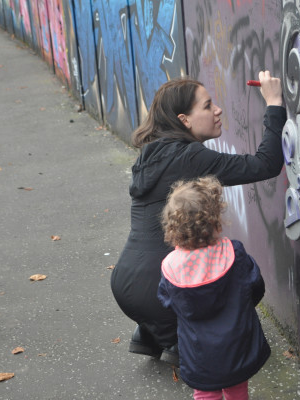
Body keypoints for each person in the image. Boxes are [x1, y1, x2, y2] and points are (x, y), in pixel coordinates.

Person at [110, 70, 285, 366]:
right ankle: (179, 338)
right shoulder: (190, 157)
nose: (217, 110)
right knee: (238, 285)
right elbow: (264, 165)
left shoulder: (150, 154)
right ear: (184, 120)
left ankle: (153, 333)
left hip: (126, 282)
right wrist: (274, 103)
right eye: (207, 106)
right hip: (159, 286)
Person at [158, 176, 269, 400]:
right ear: (215, 220)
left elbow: (167, 302)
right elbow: (256, 286)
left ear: (172, 225)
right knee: (237, 390)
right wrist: (240, 309)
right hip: (237, 345)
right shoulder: (233, 253)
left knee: (205, 393)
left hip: (199, 352)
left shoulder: (171, 265)